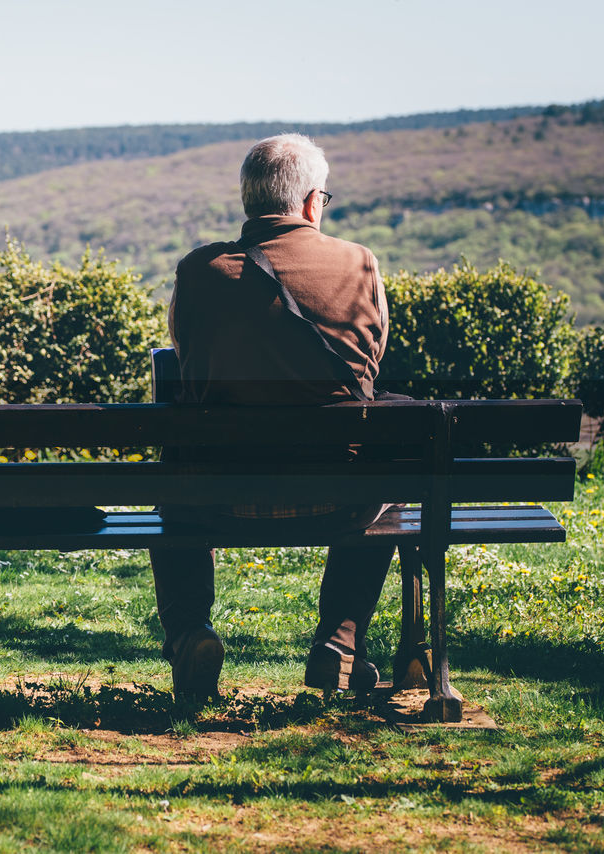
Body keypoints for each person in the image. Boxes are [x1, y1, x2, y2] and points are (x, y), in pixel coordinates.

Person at [153, 132, 394, 702]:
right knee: (390, 478)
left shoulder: (199, 271)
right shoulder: (359, 264)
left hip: (219, 494)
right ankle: (340, 640)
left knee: (173, 477)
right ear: (313, 202)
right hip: (341, 496)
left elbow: (186, 359)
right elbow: (371, 361)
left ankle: (189, 634)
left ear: (248, 201)